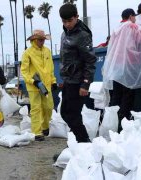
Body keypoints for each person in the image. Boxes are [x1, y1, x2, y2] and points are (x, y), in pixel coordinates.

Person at [103, 8, 141, 131]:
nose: (135, 20)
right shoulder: (131, 26)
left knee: (116, 97)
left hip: (115, 69)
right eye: (134, 18)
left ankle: (112, 125)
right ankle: (123, 126)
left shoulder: (116, 29)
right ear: (131, 16)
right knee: (127, 97)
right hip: (128, 69)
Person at [59, 4, 96, 143]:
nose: (67, 24)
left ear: (77, 17)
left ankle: (84, 142)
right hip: (68, 80)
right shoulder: (65, 33)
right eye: (64, 21)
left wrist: (85, 84)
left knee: (72, 114)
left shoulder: (82, 35)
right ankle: (78, 141)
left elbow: (90, 61)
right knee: (65, 113)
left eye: (70, 20)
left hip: (78, 82)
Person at [20, 29, 57, 141]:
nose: (42, 42)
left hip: (46, 85)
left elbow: (50, 68)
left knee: (49, 107)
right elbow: (24, 71)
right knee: (36, 109)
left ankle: (45, 127)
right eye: (40, 40)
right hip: (33, 86)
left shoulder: (47, 51)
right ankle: (37, 132)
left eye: (43, 40)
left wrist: (53, 81)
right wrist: (33, 81)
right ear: (34, 40)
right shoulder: (28, 53)